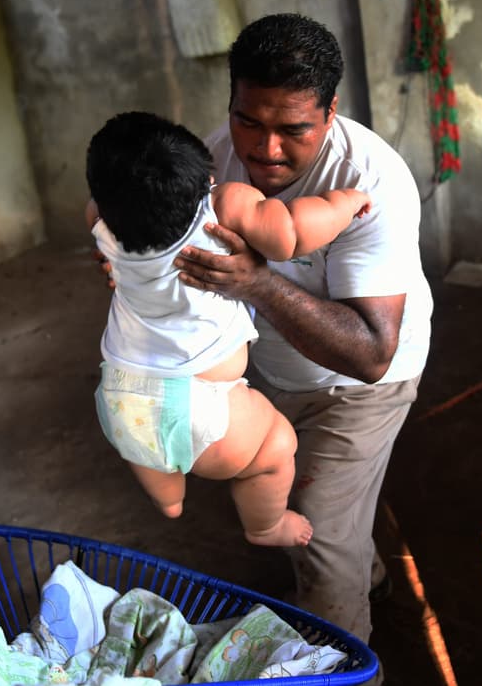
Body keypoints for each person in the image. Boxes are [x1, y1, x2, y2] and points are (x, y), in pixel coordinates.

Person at [173, 13, 434, 643]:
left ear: (331, 111)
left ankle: (344, 668)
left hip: (367, 383)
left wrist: (255, 281)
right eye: (248, 121)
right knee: (296, 502)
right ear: (231, 99)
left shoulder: (370, 182)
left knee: (313, 531)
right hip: (277, 371)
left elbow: (372, 351)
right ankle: (367, 576)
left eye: (294, 130)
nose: (264, 150)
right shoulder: (213, 159)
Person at [86, 111, 372, 548]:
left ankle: (170, 499)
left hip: (120, 400)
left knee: (156, 456)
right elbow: (292, 230)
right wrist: (347, 203)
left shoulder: (104, 226)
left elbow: (93, 207)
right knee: (274, 448)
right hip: (196, 403)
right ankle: (266, 527)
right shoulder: (222, 207)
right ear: (204, 175)